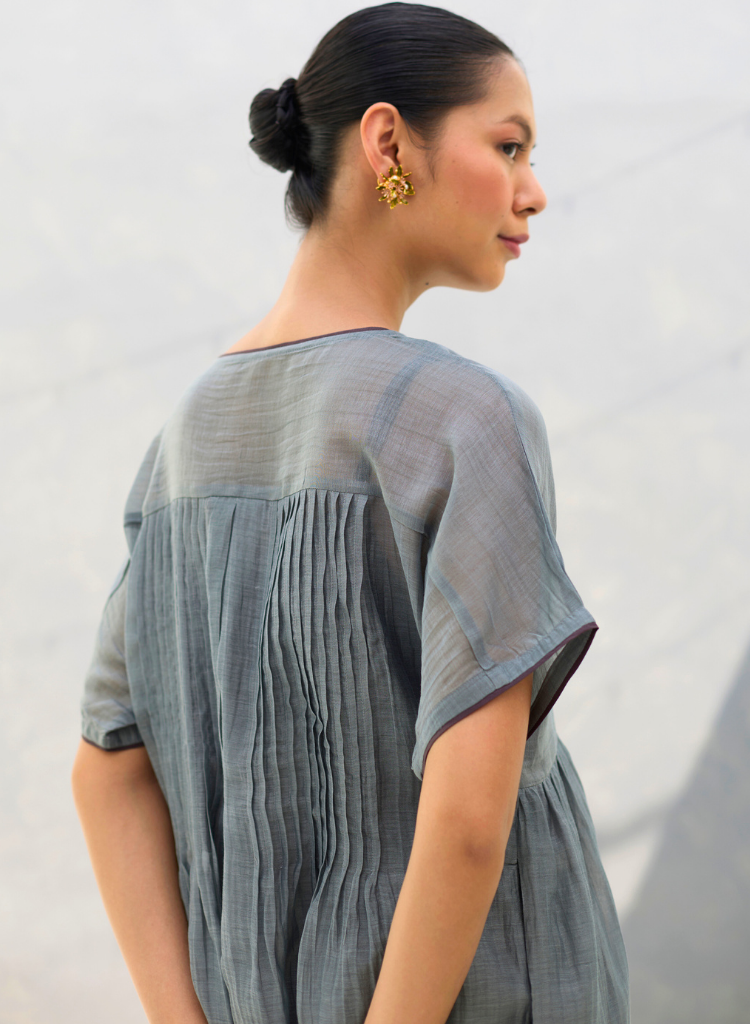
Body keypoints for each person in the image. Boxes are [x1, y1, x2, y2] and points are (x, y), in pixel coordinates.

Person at [71, 4, 630, 1022]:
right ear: (387, 145)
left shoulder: (183, 444)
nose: (534, 191)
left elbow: (107, 767)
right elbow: (468, 820)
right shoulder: (467, 420)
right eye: (508, 146)